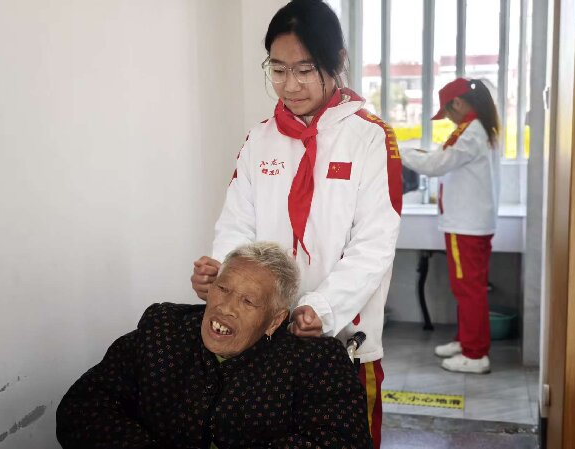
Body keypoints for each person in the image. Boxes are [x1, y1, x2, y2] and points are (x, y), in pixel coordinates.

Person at [191, 0, 402, 444]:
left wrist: (322, 308)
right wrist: (222, 278)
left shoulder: (369, 138)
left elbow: (374, 245)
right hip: (264, 339)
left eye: (305, 70)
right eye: (278, 69)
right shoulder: (260, 138)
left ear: (337, 62)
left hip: (344, 340)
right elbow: (237, 226)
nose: (290, 85)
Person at [56, 242, 374, 449]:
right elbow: (83, 407)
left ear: (275, 320)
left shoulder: (316, 361)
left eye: (248, 301)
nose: (225, 308)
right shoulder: (163, 330)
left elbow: (341, 442)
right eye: (222, 289)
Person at [400, 77, 501, 374]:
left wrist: (396, 150)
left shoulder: (471, 132)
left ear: (457, 103)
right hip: (470, 223)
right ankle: (465, 340)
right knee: (467, 288)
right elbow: (441, 159)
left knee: (469, 290)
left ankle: (475, 354)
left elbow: (436, 165)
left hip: (466, 225)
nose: (447, 118)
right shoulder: (478, 128)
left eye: (446, 111)